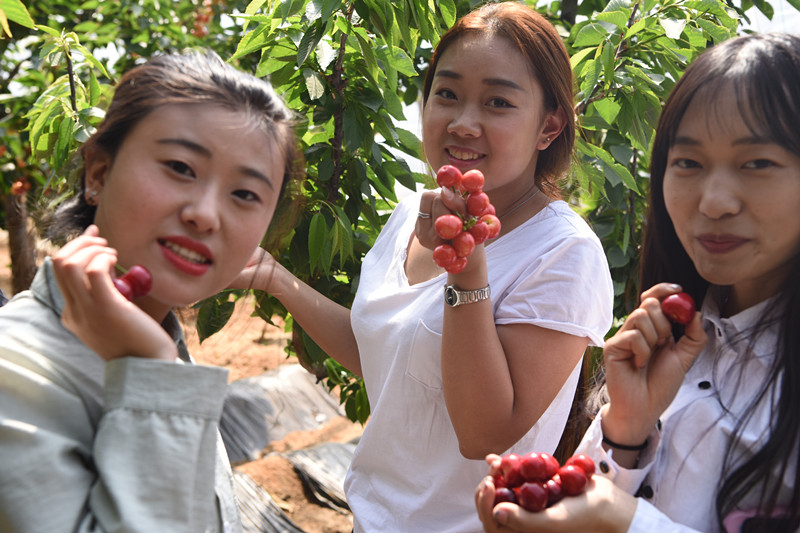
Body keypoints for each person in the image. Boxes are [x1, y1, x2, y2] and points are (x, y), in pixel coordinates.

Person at [231, 2, 613, 531]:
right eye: (447, 93)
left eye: (498, 102)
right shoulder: (416, 209)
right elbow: (386, 355)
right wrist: (275, 277)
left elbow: (486, 433)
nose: (462, 122)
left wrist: (467, 271)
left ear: (548, 127)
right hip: (370, 517)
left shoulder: (564, 253)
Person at [475, 32, 800, 532]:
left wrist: (619, 518)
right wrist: (627, 429)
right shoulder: (676, 340)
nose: (713, 202)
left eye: (757, 163)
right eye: (687, 163)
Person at [0, 50, 302, 532]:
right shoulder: (14, 368)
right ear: (98, 174)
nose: (205, 213)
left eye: (245, 194)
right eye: (180, 167)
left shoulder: (156, 343)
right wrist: (151, 373)